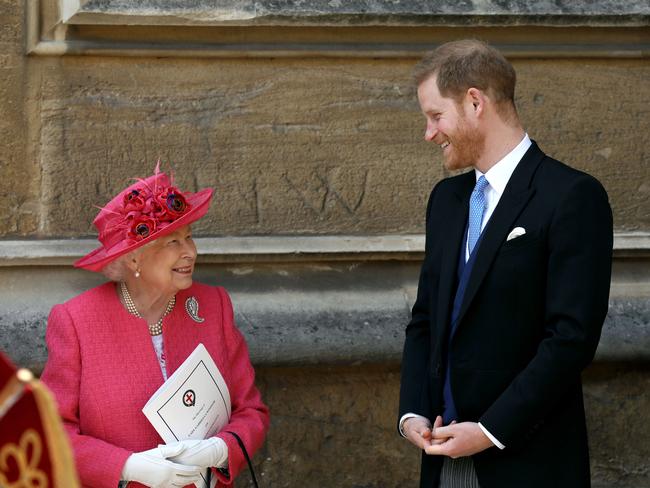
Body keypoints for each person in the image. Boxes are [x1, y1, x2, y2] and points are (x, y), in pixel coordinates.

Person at [398, 40, 613, 487]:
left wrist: (489, 432)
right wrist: (413, 412)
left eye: (436, 116)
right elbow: (425, 320)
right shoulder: (446, 201)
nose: (429, 133)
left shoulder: (571, 196)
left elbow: (571, 339)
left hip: (528, 462)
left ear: (475, 101)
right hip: (443, 463)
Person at [41, 163, 269, 488]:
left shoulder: (213, 306)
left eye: (189, 238)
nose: (190, 252)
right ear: (134, 259)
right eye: (172, 243)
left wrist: (220, 449)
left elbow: (251, 411)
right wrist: (128, 466)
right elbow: (51, 432)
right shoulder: (77, 321)